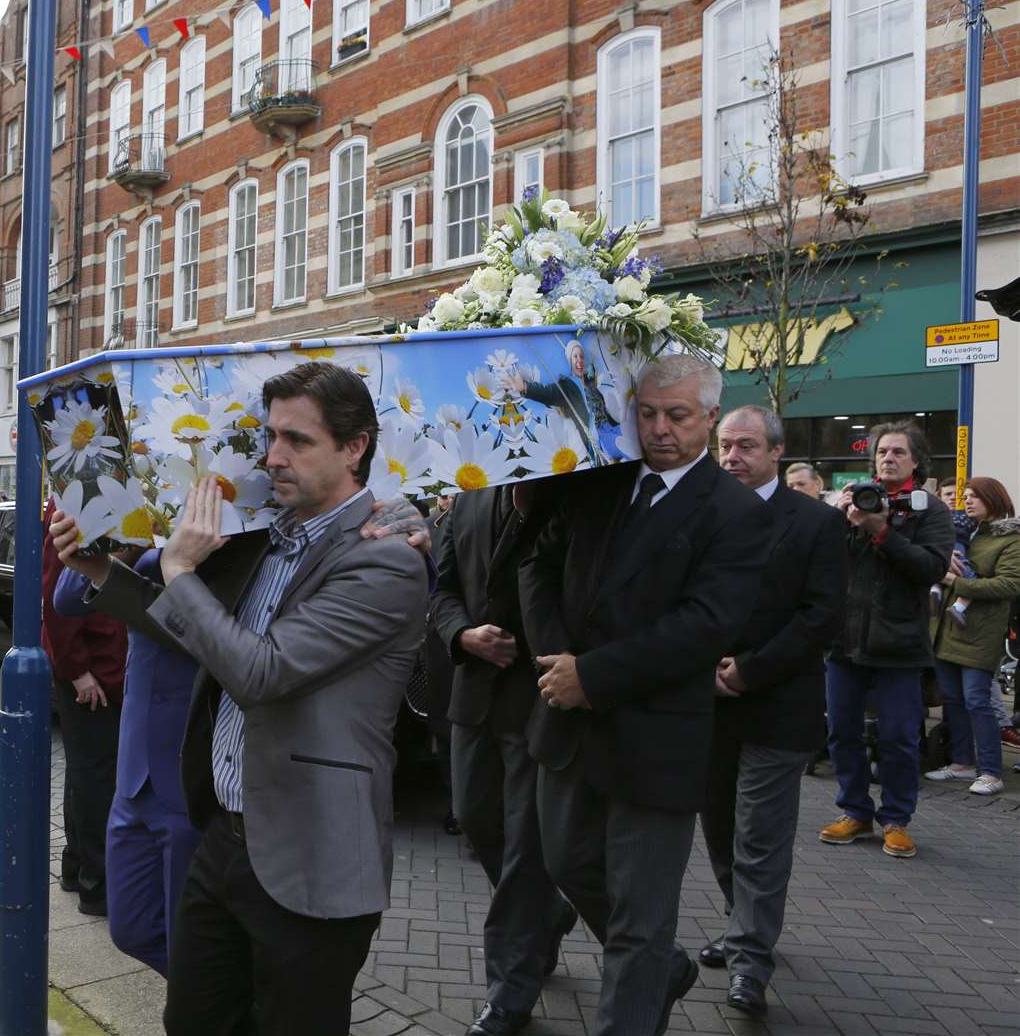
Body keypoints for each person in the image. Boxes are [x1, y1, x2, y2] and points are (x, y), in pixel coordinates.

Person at [51, 361, 431, 1035]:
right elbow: (196, 634)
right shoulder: (265, 536)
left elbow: (260, 673)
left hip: (312, 855)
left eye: (298, 441)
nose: (273, 457)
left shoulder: (385, 558)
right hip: (223, 838)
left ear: (355, 447)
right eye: (271, 436)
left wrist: (178, 566)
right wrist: (96, 568)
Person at [518, 354, 771, 1035]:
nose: (659, 429)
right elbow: (537, 564)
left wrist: (591, 676)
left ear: (710, 417)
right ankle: (662, 966)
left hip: (655, 740)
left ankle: (640, 986)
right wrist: (556, 662)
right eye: (648, 413)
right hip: (565, 722)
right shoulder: (598, 484)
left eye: (678, 416)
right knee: (565, 861)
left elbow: (705, 625)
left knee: (638, 917)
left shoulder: (736, 513)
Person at [698, 406, 847, 1017]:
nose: (731, 456)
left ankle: (751, 962)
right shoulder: (701, 516)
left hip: (778, 706)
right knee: (720, 831)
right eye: (724, 445)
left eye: (745, 446)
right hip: (708, 706)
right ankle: (741, 926)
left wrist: (750, 669)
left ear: (776, 452)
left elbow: (821, 615)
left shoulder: (814, 523)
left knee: (760, 838)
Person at [431, 480, 577, 1036]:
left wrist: (527, 513)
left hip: (538, 701)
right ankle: (551, 914)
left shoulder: (568, 499)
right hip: (473, 700)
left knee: (524, 850)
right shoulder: (467, 498)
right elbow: (443, 590)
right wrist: (463, 635)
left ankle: (509, 991)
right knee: (473, 817)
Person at [54, 544, 200, 976]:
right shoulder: (143, 543)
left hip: (189, 768)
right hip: (135, 772)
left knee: (189, 942)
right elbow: (63, 598)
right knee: (130, 929)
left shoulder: (228, 538)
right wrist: (106, 540)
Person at [822, 421, 953, 858]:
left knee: (898, 737)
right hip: (846, 640)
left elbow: (930, 568)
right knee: (841, 732)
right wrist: (841, 520)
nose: (888, 459)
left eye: (898, 452)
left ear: (915, 460)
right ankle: (855, 812)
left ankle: (896, 819)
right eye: (882, 452)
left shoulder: (929, 510)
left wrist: (881, 531)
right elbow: (825, 562)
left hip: (899, 645)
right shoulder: (856, 501)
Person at [41, 501, 128, 918]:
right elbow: (58, 589)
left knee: (85, 772)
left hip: (100, 664)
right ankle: (97, 886)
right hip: (93, 667)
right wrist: (77, 669)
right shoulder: (81, 497)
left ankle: (77, 868)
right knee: (97, 779)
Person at [926, 477, 1020, 796]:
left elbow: (1010, 585)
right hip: (947, 631)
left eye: (974, 497)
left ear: (993, 499)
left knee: (977, 701)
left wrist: (959, 582)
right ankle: (962, 763)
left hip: (980, 633)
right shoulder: (965, 532)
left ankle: (991, 771)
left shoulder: (1011, 538)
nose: (967, 502)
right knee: (952, 700)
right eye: (965, 496)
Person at [508, 339, 625, 466]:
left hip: (610, 428)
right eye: (575, 356)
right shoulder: (567, 386)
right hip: (599, 438)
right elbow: (548, 393)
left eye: (581, 356)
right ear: (570, 360)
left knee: (631, 433)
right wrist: (525, 387)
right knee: (627, 444)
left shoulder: (590, 384)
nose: (579, 360)